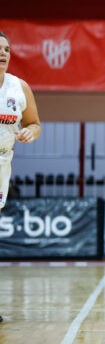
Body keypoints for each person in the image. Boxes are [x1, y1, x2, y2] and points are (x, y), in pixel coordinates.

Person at [0, 31, 42, 324]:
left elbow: (35, 123)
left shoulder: (19, 87)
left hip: (2, 161)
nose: (3, 53)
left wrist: (30, 132)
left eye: (7, 49)